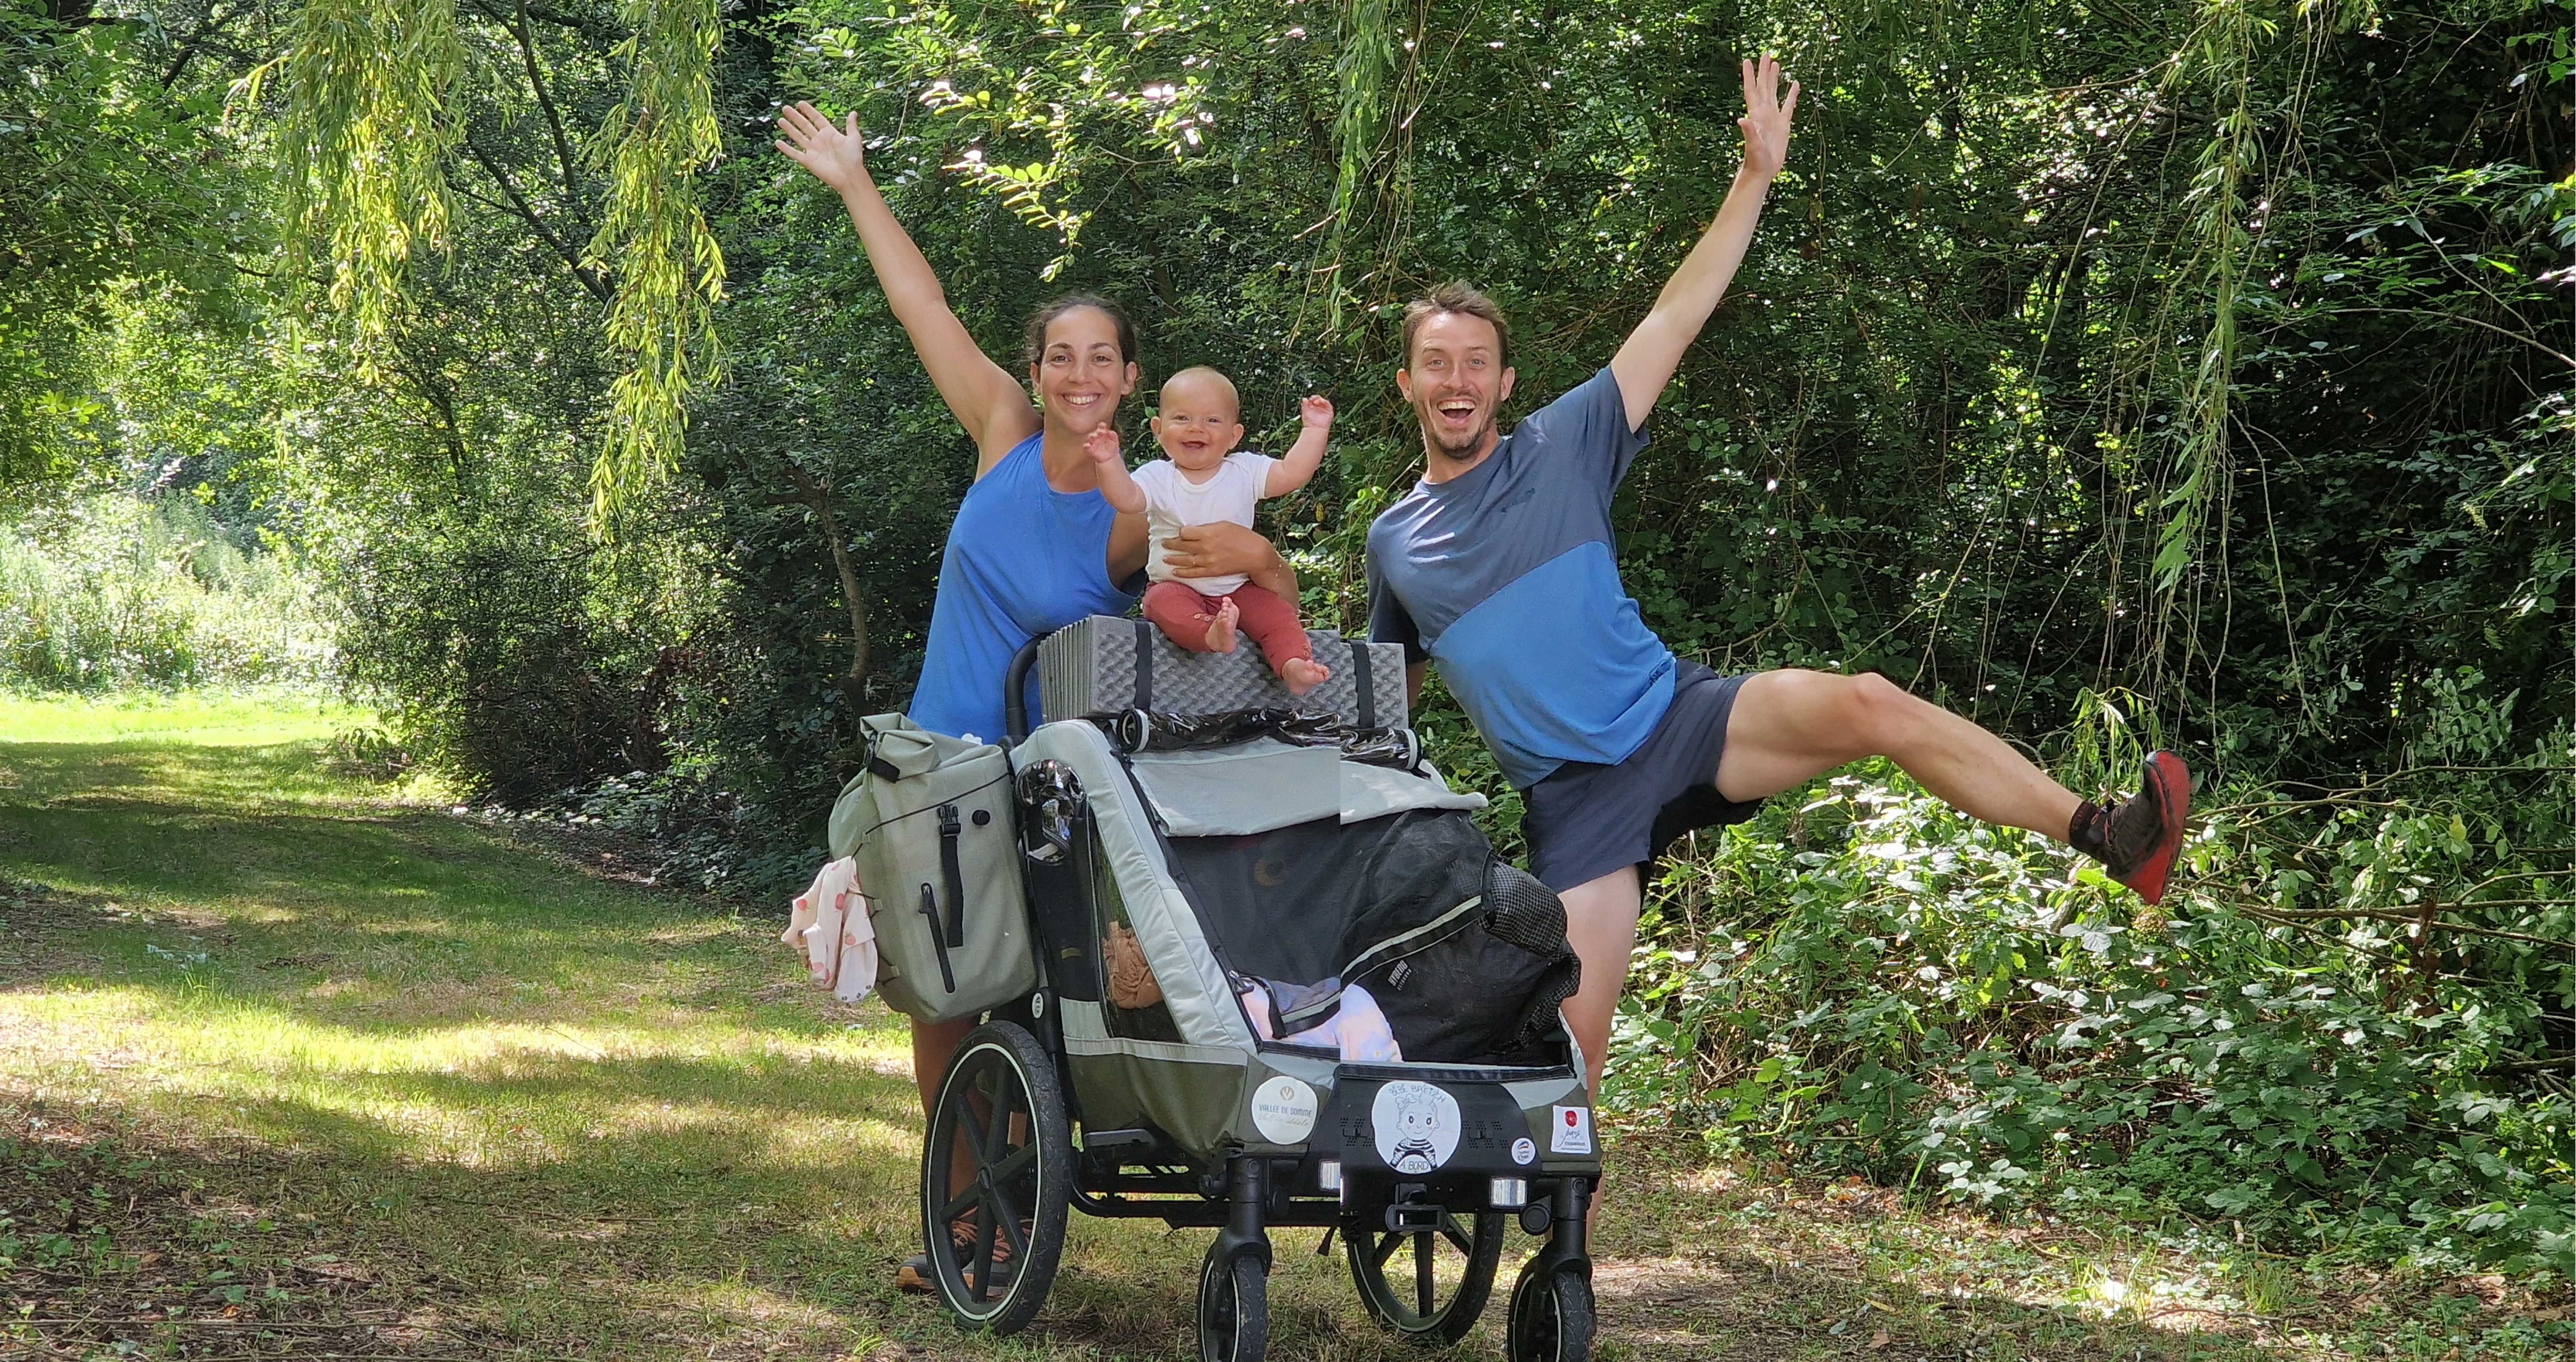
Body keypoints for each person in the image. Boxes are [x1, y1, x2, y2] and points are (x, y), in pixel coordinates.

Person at [1363, 57, 2192, 1124]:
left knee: (1871, 702)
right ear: (1409, 384)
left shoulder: (1563, 443)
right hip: (1576, 801)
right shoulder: (1396, 543)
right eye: (1439, 363)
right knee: (1574, 1055)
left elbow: (1675, 314)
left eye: (1478, 362)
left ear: (1508, 382)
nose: (1460, 381)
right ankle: (1561, 1268)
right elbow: (1389, 701)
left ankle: (2109, 836)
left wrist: (1757, 176)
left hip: (1677, 716)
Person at [774, 100, 1297, 1289]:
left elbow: (1225, 562)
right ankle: (966, 1213)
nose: (1077, 373)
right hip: (936, 760)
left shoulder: (1130, 513)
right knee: (940, 997)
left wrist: (1266, 575)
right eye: (1061, 353)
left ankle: (996, 1215)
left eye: (1100, 357)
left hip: (1043, 776)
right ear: (1038, 369)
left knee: (1020, 993)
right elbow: (925, 308)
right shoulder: (1002, 431)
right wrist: (857, 184)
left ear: (1130, 380)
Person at [1084, 367, 1335, 692]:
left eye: (1212, 421)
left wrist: (1314, 430)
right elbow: (1127, 498)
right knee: (1159, 603)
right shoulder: (1159, 476)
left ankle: (1294, 666)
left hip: (1239, 589)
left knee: (1278, 616)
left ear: (1234, 435)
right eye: (1182, 418)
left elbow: (1292, 472)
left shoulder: (1244, 471)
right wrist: (1108, 461)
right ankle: (1211, 633)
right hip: (1178, 586)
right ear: (1158, 430)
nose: (1196, 428)